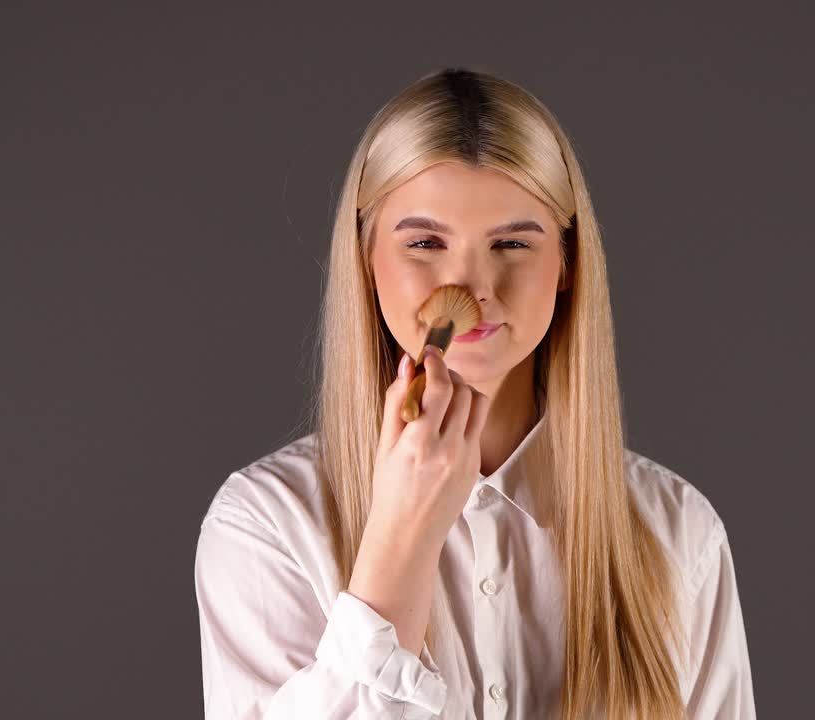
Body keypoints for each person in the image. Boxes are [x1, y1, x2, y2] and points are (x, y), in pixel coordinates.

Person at [194, 66, 756, 720]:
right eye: (426, 243)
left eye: (513, 242)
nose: (473, 283)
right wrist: (398, 544)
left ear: (569, 262)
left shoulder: (678, 530)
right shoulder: (266, 524)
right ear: (366, 257)